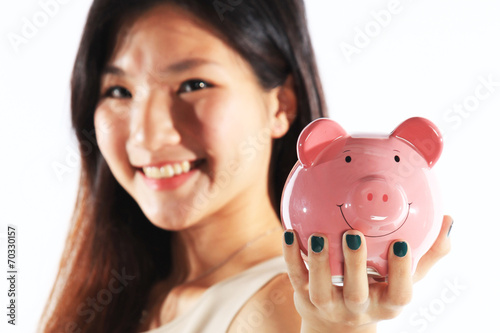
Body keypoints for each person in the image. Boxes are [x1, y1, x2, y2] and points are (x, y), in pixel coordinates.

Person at [38, 0, 452, 332]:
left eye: (194, 85)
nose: (148, 135)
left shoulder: (284, 311)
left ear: (281, 104)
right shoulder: (126, 295)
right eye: (118, 90)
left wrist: (336, 329)